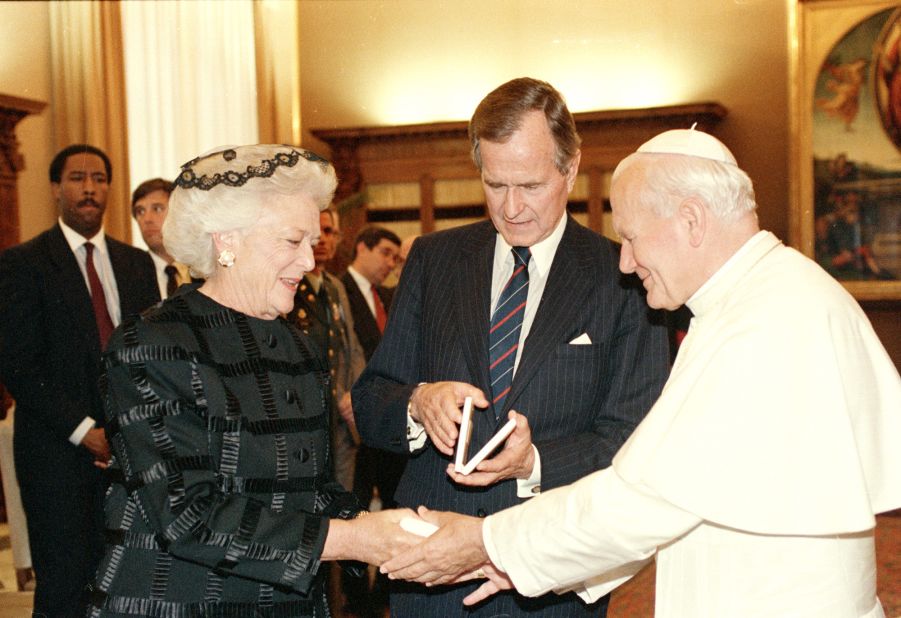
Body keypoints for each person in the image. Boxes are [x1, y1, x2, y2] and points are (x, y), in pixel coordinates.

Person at [381, 128, 901, 618]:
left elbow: (648, 501)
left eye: (631, 238)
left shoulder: (769, 318)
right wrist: (511, 557)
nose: (625, 263)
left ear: (691, 220)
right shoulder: (755, 300)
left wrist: (489, 542)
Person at [352, 77, 670, 616]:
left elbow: (636, 440)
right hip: (431, 570)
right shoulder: (434, 260)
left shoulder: (624, 276)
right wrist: (418, 402)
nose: (513, 207)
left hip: (551, 574)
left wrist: (535, 462)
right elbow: (370, 400)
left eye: (530, 185)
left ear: (569, 170)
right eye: (495, 185)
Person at [85, 145, 423, 616]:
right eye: (292, 241)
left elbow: (308, 489)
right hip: (178, 600)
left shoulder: (298, 349)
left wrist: (393, 528)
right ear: (226, 241)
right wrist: (354, 538)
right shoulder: (154, 342)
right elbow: (186, 514)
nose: (309, 260)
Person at [0, 144, 160, 615]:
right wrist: (85, 432)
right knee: (67, 586)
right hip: (57, 453)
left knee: (130, 584)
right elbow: (19, 365)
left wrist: (130, 431)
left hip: (130, 454)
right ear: (55, 189)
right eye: (76, 178)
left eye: (99, 178)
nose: (89, 188)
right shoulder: (22, 263)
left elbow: (150, 357)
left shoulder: (137, 264)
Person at [340, 224, 405, 615]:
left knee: (396, 505)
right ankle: (356, 598)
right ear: (361, 247)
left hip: (386, 424)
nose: (390, 263)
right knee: (354, 509)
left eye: (395, 257)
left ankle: (384, 591)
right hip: (351, 426)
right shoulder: (338, 290)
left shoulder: (385, 297)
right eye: (384, 252)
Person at [290, 206, 365, 491]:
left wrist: (354, 396)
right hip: (305, 416)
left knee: (341, 495)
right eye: (314, 233)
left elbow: (351, 347)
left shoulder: (335, 287)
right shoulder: (289, 287)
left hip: (341, 419)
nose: (322, 239)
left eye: (328, 232)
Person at [131, 177, 196, 298]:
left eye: (157, 209)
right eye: (140, 211)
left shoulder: (204, 269)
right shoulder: (129, 275)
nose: (147, 219)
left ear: (179, 212)